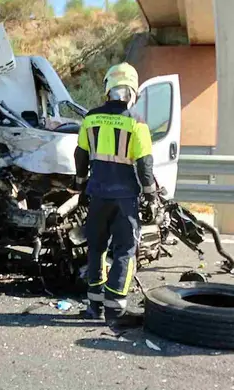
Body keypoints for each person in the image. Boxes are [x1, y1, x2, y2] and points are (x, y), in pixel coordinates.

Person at [73, 62, 156, 328]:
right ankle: (116, 310)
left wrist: (80, 183)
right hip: (124, 198)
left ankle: (94, 306)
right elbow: (144, 164)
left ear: (107, 89)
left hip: (97, 194)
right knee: (125, 251)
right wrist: (150, 195)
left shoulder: (90, 118)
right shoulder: (137, 122)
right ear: (132, 92)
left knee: (96, 248)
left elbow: (81, 154)